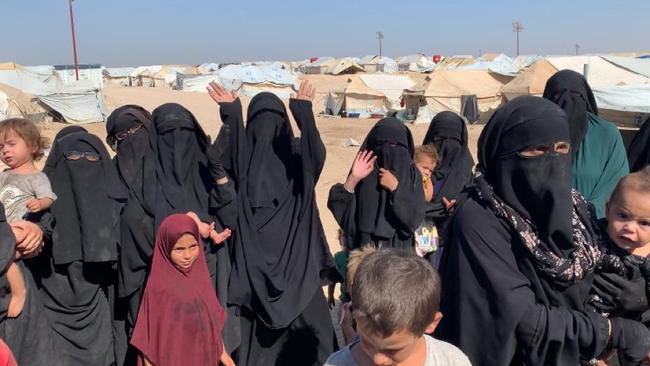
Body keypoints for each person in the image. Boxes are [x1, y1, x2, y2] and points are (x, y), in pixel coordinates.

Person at [436, 96, 650, 365]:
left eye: (562, 149)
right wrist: (612, 331)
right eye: (535, 150)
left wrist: (637, 292)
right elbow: (520, 318)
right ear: (502, 152)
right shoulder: (479, 218)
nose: (551, 159)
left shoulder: (574, 205)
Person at [207, 80, 338, 366]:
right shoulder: (296, 168)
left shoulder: (248, 164)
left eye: (273, 121)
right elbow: (315, 154)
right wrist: (302, 113)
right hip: (299, 279)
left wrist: (232, 114)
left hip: (254, 282)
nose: (266, 130)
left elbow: (224, 155)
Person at [33, 130, 126, 365]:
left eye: (91, 159)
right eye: (71, 159)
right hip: (52, 304)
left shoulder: (120, 212)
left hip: (97, 305)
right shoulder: (36, 210)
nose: (81, 166)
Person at [324, 249, 471, 366]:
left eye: (393, 350)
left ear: (431, 323)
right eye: (367, 342)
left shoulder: (452, 361)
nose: (378, 359)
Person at [131, 213, 234, 366]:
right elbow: (149, 349)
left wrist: (228, 361)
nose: (187, 255)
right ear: (165, 248)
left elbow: (212, 332)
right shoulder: (159, 290)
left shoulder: (201, 280)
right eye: (178, 249)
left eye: (193, 246)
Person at [328, 118, 425, 250]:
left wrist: (396, 189)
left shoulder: (412, 175)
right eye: (382, 143)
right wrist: (353, 179)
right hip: (364, 254)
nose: (388, 149)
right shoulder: (364, 172)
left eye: (394, 144)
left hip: (399, 257)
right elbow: (341, 210)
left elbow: (414, 219)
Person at [543, 69, 629, 218]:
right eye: (557, 96)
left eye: (575, 96)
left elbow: (615, 184)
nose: (567, 102)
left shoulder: (606, 134)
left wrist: (580, 216)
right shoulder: (536, 133)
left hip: (596, 226)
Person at [589, 167, 650, 365]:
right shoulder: (593, 238)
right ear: (607, 210)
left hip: (634, 333)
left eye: (644, 223)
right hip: (591, 326)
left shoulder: (647, 256)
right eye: (623, 216)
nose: (630, 228)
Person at [105, 105, 157, 334]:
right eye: (122, 135)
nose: (131, 138)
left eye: (136, 130)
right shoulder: (110, 173)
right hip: (129, 270)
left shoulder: (166, 164)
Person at [0, 118, 56, 324]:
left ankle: (19, 292)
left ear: (32, 146)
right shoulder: (5, 174)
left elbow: (49, 197)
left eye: (12, 144)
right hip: (3, 226)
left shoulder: (36, 177)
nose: (5, 151)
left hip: (19, 227)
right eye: (1, 147)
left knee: (7, 261)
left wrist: (39, 204)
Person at [421, 111, 474, 230]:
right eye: (439, 138)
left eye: (453, 140)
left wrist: (458, 208)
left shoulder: (468, 180)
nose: (446, 144)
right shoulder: (418, 170)